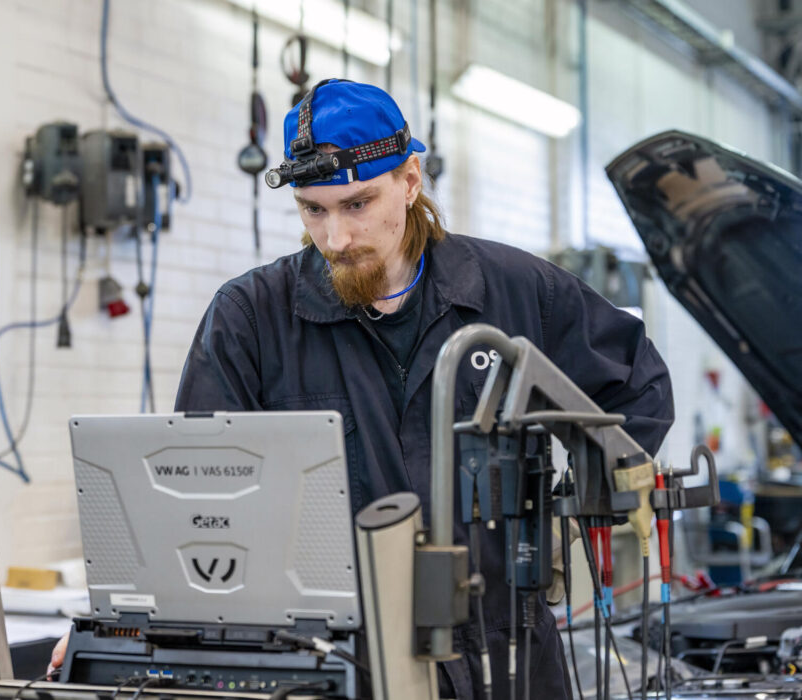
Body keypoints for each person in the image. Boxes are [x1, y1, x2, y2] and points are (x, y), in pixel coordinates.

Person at [173, 79, 674, 699]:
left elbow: (637, 382)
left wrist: (581, 508)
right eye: (314, 210)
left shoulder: (516, 292)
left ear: (410, 180)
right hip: (344, 662)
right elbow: (195, 495)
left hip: (508, 655)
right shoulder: (251, 318)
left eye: (357, 204)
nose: (335, 238)